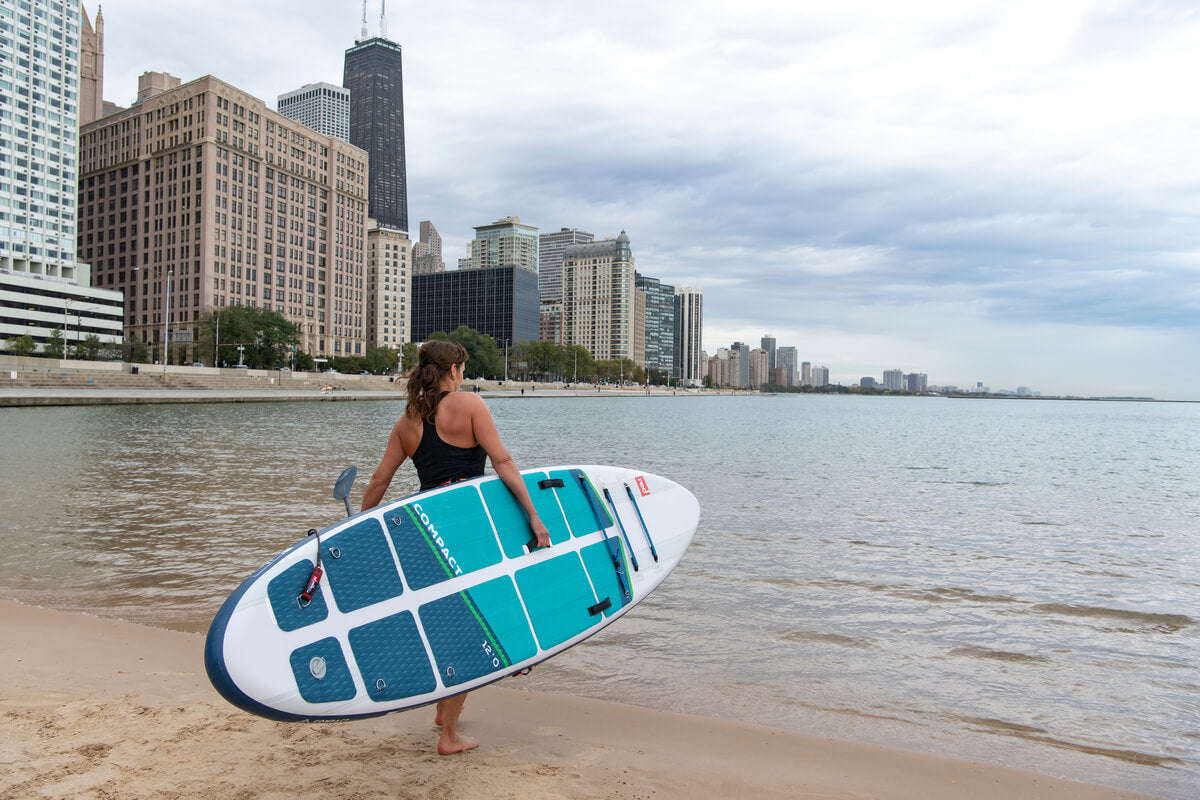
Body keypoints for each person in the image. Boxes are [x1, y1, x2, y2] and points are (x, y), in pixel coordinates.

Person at [361, 340, 551, 755]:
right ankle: (448, 737)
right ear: (452, 370)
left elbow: (379, 481)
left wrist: (357, 528)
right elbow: (501, 462)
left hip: (428, 534)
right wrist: (533, 516)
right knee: (473, 628)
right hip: (471, 530)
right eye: (461, 367)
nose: (463, 374)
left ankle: (442, 713)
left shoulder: (407, 422)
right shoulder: (470, 406)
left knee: (444, 619)